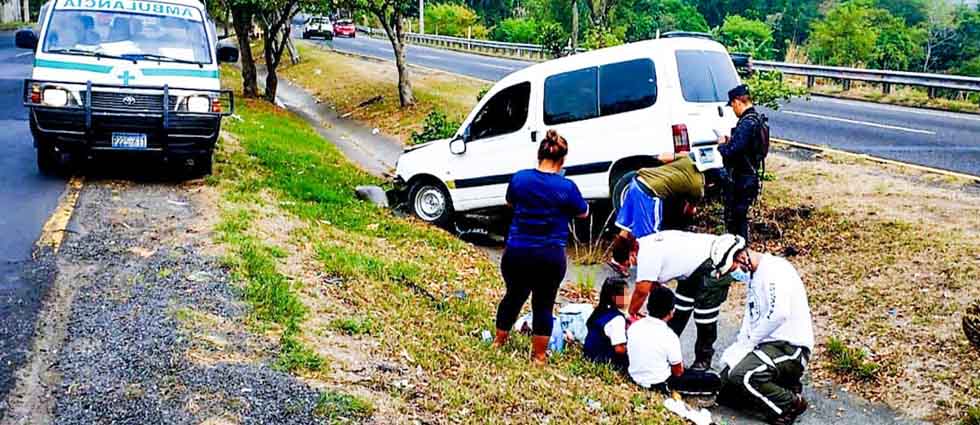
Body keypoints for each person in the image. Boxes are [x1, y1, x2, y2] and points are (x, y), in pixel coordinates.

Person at [492, 130, 589, 365]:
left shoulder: (519, 179)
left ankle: (498, 342)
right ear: (562, 160)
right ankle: (539, 356)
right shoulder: (567, 187)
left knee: (513, 297)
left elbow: (510, 202)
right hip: (550, 255)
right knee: (544, 304)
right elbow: (583, 212)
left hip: (517, 252)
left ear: (539, 155)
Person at [713, 242, 814, 425]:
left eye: (733, 268)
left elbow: (779, 314)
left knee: (743, 376)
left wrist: (751, 341)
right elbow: (751, 316)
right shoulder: (754, 276)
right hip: (767, 345)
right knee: (725, 387)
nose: (735, 273)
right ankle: (783, 385)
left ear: (742, 257)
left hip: (789, 346)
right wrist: (739, 346)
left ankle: (790, 403)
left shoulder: (774, 270)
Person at [626, 231, 741, 370]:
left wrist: (629, 315)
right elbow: (654, 288)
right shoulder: (646, 242)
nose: (631, 267)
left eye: (628, 263)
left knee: (705, 317)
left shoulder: (646, 254)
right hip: (690, 270)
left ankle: (703, 359)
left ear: (632, 253)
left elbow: (641, 292)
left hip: (715, 262)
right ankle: (663, 352)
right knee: (678, 310)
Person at [609, 153, 717, 276]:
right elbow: (689, 211)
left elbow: (661, 157)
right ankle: (650, 274)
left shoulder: (686, 160)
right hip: (649, 192)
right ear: (711, 183)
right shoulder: (698, 187)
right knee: (650, 239)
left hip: (636, 181)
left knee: (626, 228)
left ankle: (617, 261)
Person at [627, 285, 722, 395]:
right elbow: (678, 372)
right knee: (713, 380)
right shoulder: (669, 336)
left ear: (648, 306)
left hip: (634, 376)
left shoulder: (634, 326)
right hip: (659, 383)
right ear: (671, 312)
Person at [718, 84, 770, 242]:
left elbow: (732, 151)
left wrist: (722, 145)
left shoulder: (746, 123)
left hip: (741, 178)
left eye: (732, 106)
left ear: (737, 102)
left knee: (736, 220)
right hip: (751, 175)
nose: (733, 110)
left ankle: (738, 253)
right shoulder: (758, 120)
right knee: (740, 217)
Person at [583, 278, 629, 370]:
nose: (629, 297)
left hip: (589, 354)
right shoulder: (617, 319)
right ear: (614, 298)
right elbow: (619, 349)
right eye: (626, 295)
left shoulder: (599, 311)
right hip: (604, 359)